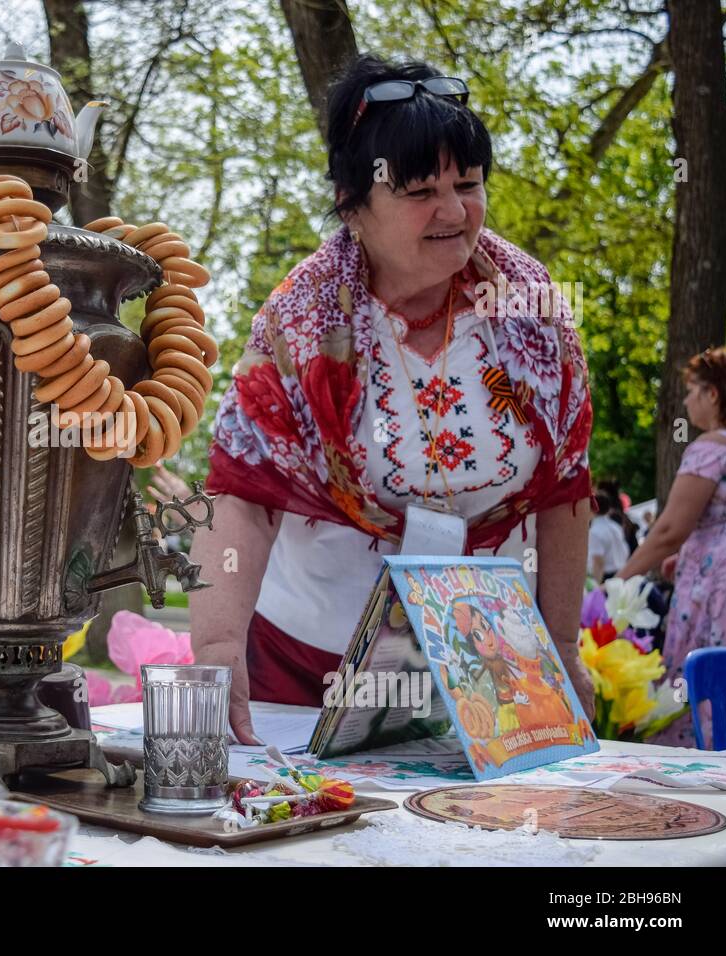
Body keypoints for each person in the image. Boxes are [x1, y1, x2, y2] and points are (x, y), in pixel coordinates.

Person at [193, 54, 596, 744]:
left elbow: (564, 487)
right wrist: (216, 646)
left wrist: (561, 642)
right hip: (312, 665)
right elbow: (243, 488)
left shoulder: (530, 306)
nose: (454, 211)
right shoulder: (301, 320)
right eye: (419, 192)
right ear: (354, 203)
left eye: (467, 184)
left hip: (489, 663)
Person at [617, 347, 726, 747]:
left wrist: (618, 582)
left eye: (693, 390)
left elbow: (668, 531)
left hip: (716, 592)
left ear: (713, 394)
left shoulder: (710, 449)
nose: (686, 400)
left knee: (701, 683)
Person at [587, 491, 630, 583]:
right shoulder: (615, 526)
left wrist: (596, 586)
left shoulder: (595, 531)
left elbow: (599, 562)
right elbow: (625, 550)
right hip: (621, 573)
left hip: (606, 577)